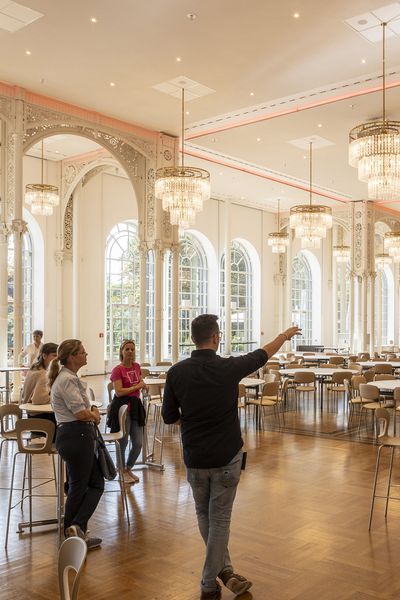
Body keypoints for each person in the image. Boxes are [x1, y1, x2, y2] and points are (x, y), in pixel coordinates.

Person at [162, 314, 301, 600]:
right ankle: (208, 582)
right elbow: (263, 354)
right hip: (226, 455)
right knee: (220, 520)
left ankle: (224, 570)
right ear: (216, 338)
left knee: (205, 515)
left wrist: (190, 422)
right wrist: (285, 335)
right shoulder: (229, 367)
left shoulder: (176, 372)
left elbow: (168, 417)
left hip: (195, 456)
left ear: (193, 338)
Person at [49, 339, 104, 549]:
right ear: (72, 357)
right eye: (82, 352)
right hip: (76, 435)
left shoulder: (68, 378)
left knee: (88, 484)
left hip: (74, 435)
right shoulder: (67, 380)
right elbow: (81, 413)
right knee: (81, 486)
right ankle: (73, 533)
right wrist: (94, 416)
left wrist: (91, 414)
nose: (86, 354)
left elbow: (85, 408)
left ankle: (76, 529)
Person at [109, 339, 147, 484]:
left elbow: (140, 382)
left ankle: (128, 468)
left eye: (132, 349)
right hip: (122, 407)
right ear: (121, 352)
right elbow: (118, 392)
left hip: (135, 407)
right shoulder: (117, 370)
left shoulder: (137, 366)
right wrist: (137, 387)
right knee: (123, 441)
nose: (130, 352)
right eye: (127, 349)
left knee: (138, 442)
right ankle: (120, 469)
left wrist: (143, 386)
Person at [21, 342, 58, 428]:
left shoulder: (34, 368)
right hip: (40, 419)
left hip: (31, 417)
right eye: (54, 355)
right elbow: (39, 400)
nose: (57, 359)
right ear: (44, 356)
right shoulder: (43, 374)